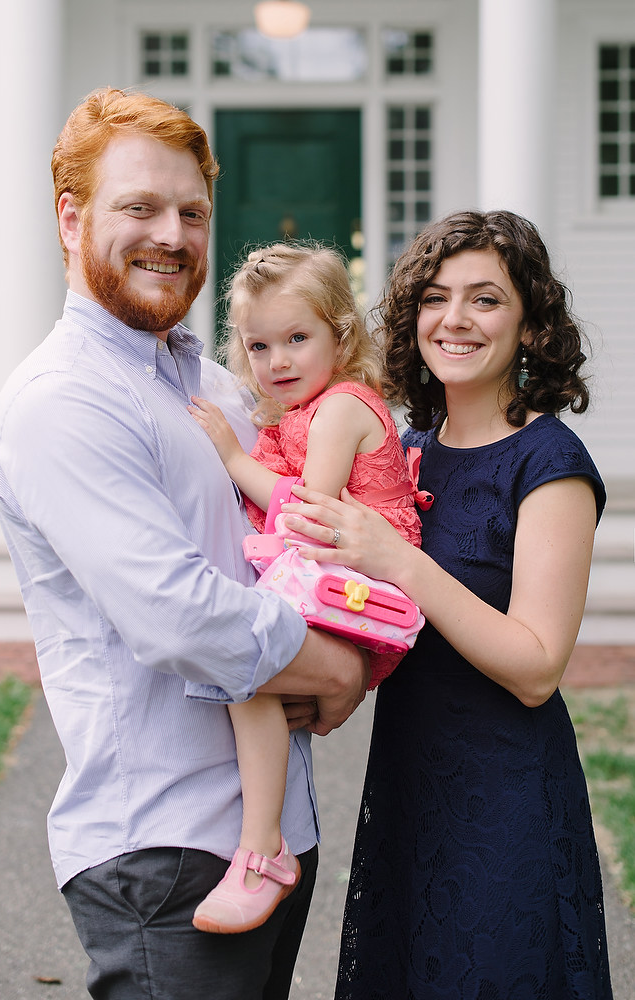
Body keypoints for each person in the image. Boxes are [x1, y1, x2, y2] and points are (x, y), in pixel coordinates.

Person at [0, 88, 369, 1000]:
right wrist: (340, 671)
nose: (173, 233)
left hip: (271, 840)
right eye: (140, 207)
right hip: (163, 850)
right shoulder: (62, 401)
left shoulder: (213, 384)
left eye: (192, 212)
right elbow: (178, 616)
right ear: (71, 218)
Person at [280, 210, 613, 998]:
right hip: (409, 788)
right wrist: (334, 688)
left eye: (486, 299)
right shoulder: (410, 450)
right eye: (434, 297)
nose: (454, 319)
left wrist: (397, 557)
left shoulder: (550, 464)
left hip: (506, 804)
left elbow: (535, 666)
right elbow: (388, 621)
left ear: (531, 324)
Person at [189, 243, 424, 934]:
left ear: (341, 336)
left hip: (366, 587)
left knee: (249, 661)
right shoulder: (296, 410)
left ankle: (263, 849)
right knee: (251, 669)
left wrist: (231, 458)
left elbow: (307, 515)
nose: (279, 361)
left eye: (298, 338)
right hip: (334, 579)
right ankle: (261, 841)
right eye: (260, 346)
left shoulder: (342, 407)